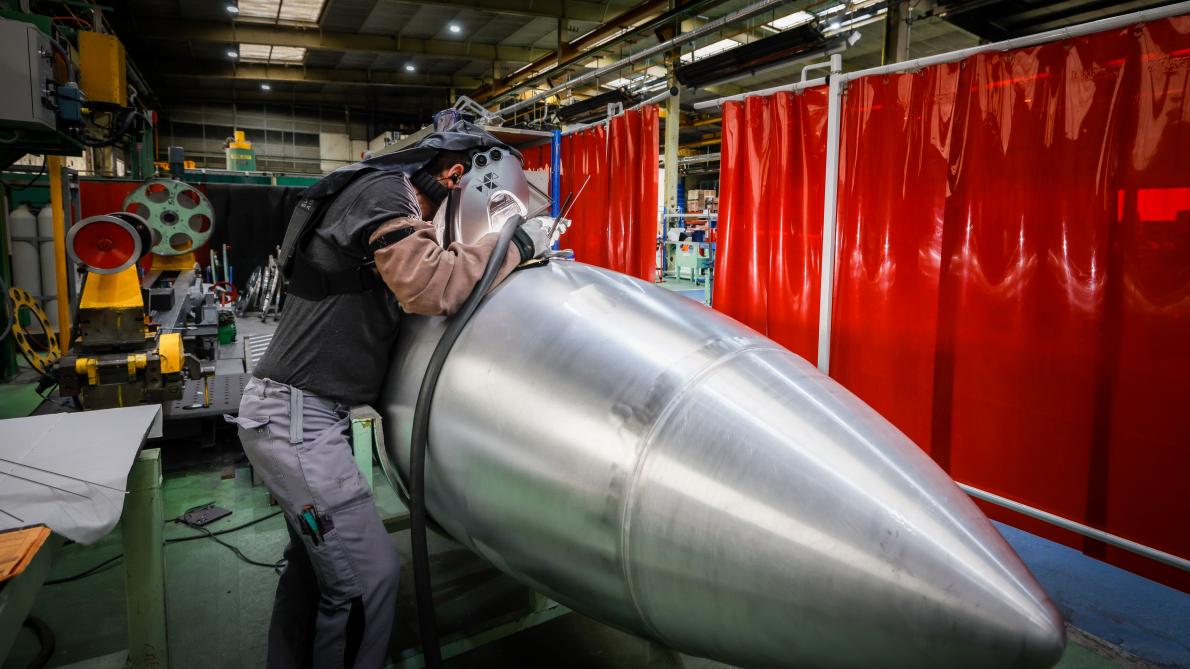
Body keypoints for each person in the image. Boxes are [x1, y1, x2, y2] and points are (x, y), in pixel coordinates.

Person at [228, 119, 552, 669]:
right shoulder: (384, 192)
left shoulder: (371, 192)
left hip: (291, 416)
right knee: (365, 581)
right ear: (456, 175)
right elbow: (428, 286)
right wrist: (514, 243)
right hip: (298, 425)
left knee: (314, 571)